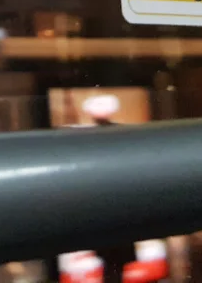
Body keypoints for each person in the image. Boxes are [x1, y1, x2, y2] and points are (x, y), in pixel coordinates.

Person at [83, 95, 136, 283]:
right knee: (114, 260)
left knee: (111, 258)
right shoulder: (120, 134)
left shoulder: (90, 138)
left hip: (108, 204)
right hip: (118, 203)